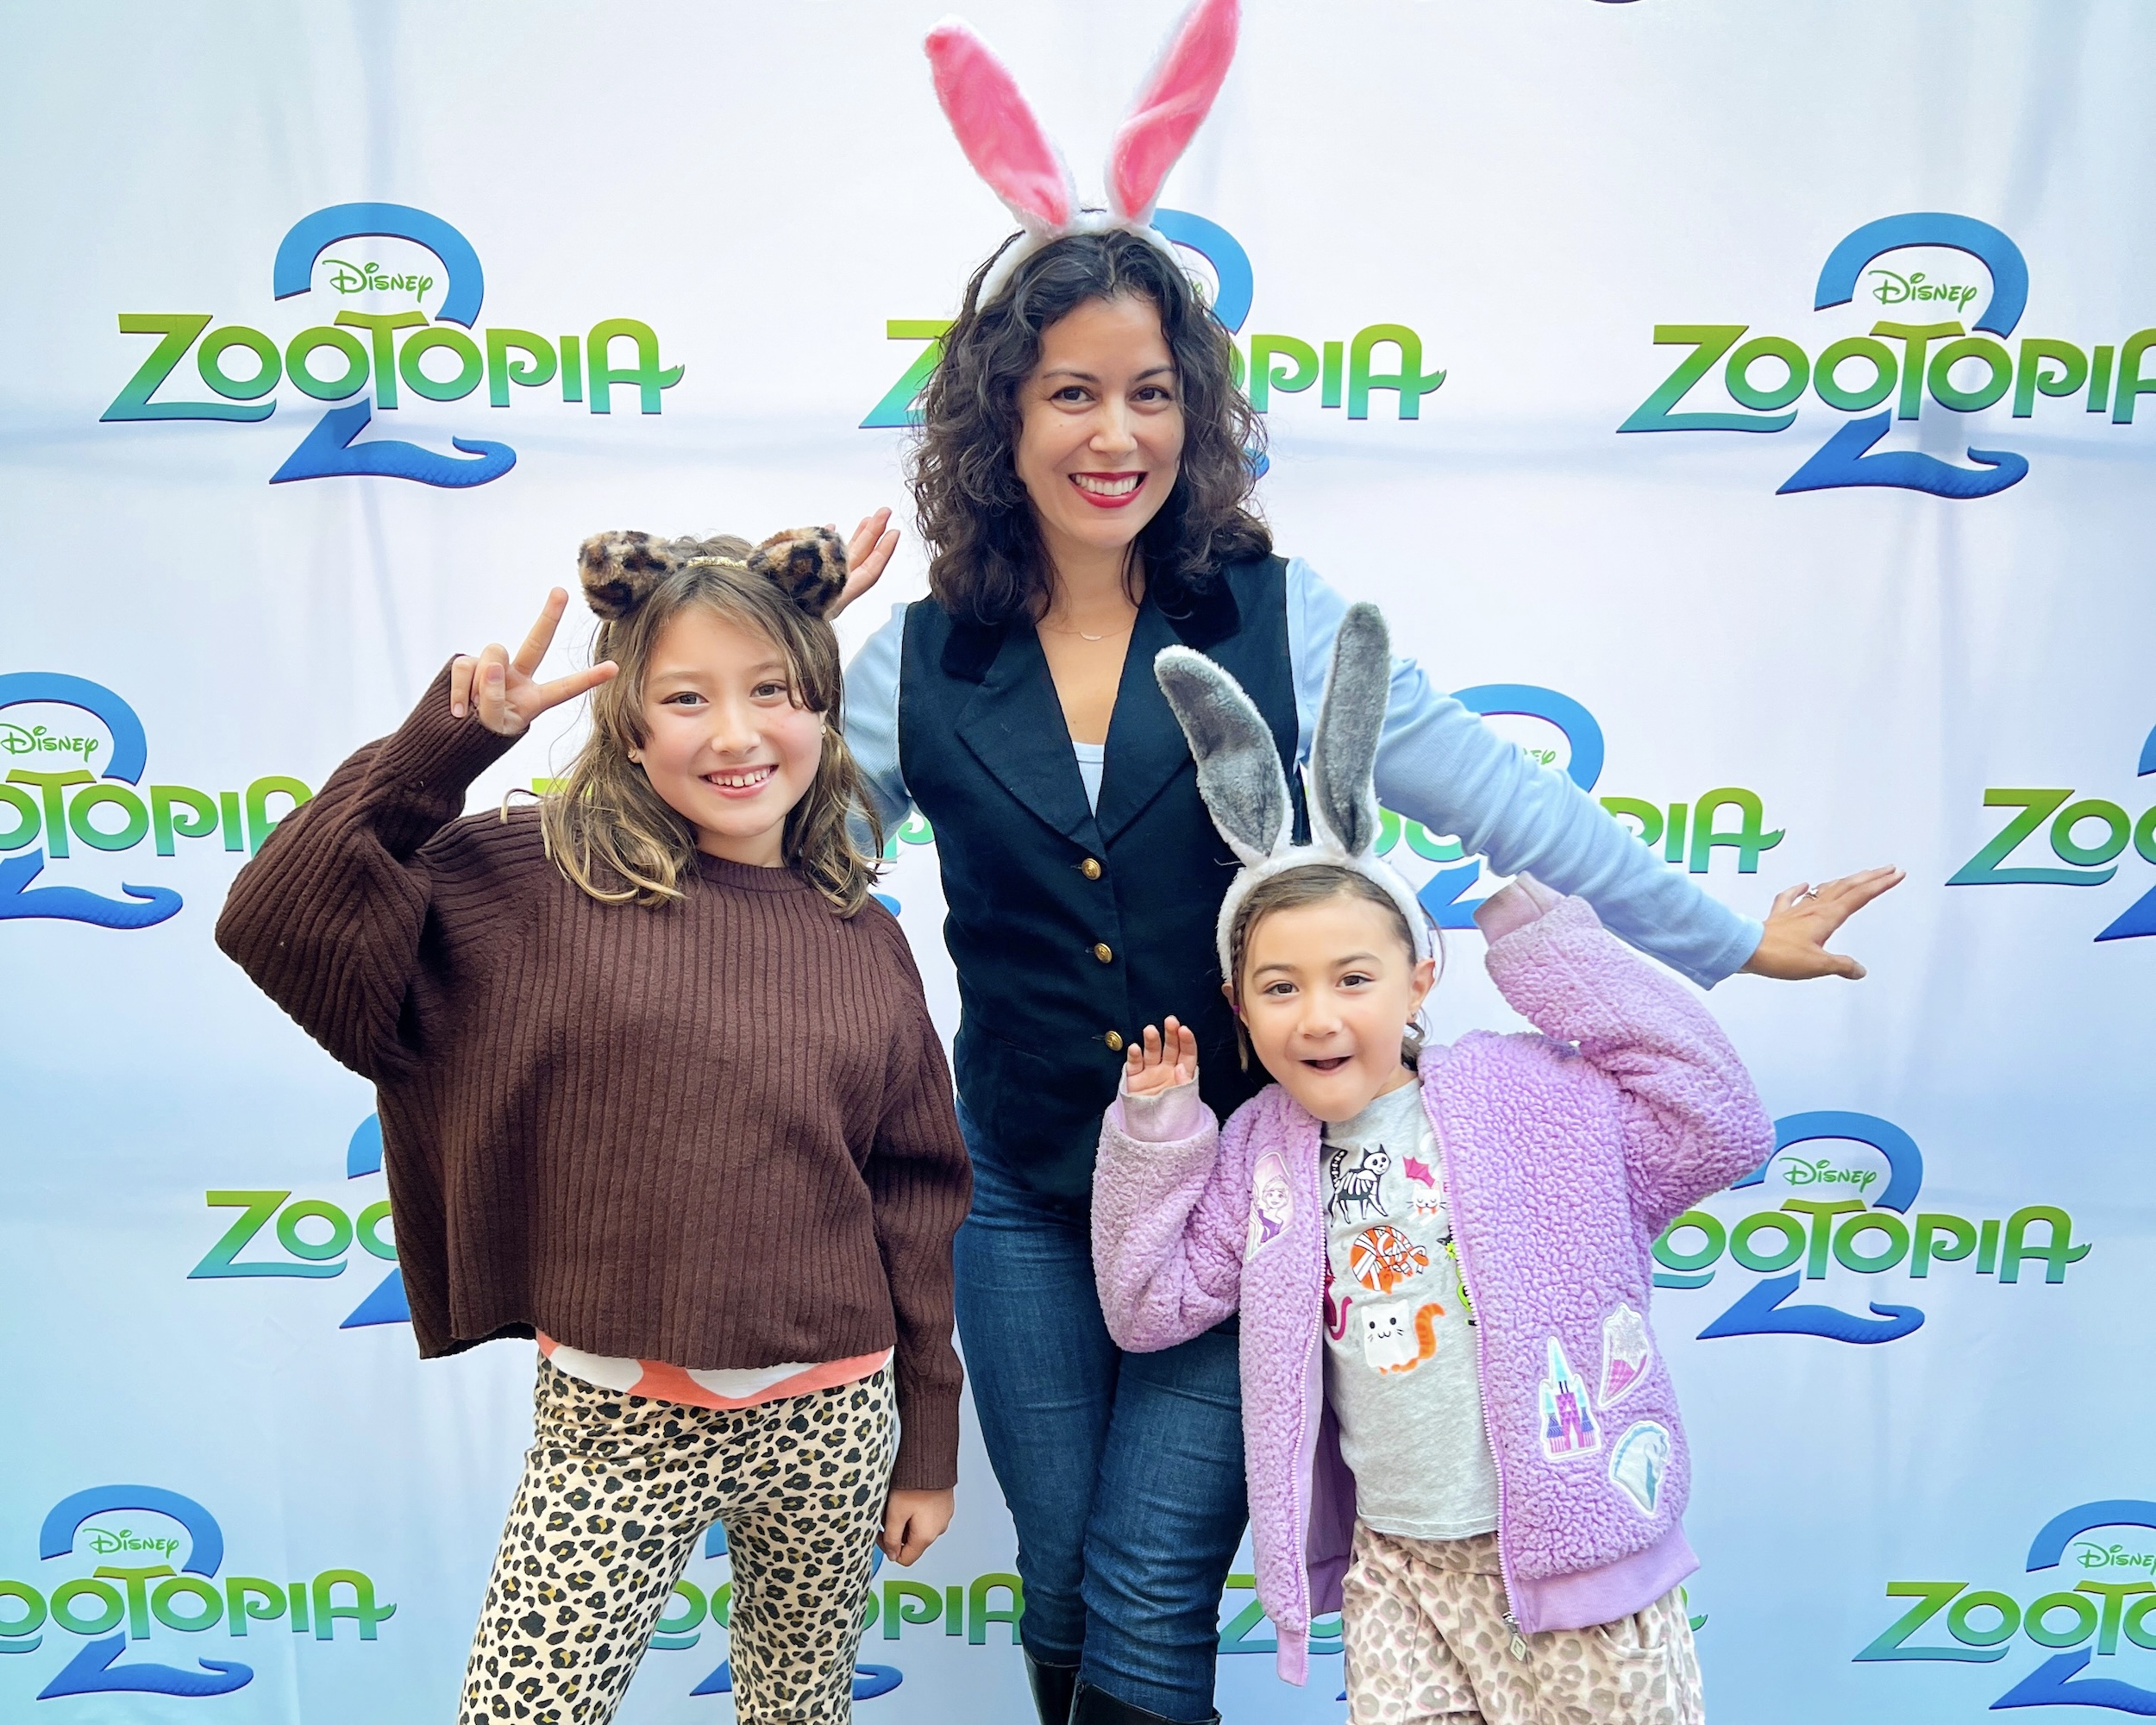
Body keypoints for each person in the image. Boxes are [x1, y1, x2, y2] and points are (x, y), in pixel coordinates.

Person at [820, 7, 1896, 1721]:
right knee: (1059, 1568)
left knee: (1152, 1565)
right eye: (1072, 392)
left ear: (1196, 414)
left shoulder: (1277, 614)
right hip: (1023, 1188)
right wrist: (758, 662)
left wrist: (1722, 941)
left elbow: (1499, 797)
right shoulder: (912, 658)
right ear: (1000, 421)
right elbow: (780, 859)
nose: (1116, 432)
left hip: (1253, 1188)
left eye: (1152, 393)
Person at [215, 529, 971, 1725]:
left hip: (835, 1418)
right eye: (686, 697)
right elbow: (278, 917)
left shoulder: (861, 937)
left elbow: (917, 1198)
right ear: (626, 724)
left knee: (799, 1707)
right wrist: (446, 747)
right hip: (618, 1422)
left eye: (772, 691)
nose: (734, 734)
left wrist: (928, 1434)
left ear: (820, 712)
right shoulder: (533, 878)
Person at [1091, 607, 1773, 1725]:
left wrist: (1548, 948)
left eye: (1354, 978)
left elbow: (1720, 1122)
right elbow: (1149, 1304)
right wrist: (1158, 1142)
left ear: (1420, 978)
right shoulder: (1265, 1150)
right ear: (1238, 1007)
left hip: (1573, 1572)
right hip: (1396, 1575)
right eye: (1280, 987)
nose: (1318, 1016)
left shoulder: (1526, 1095)